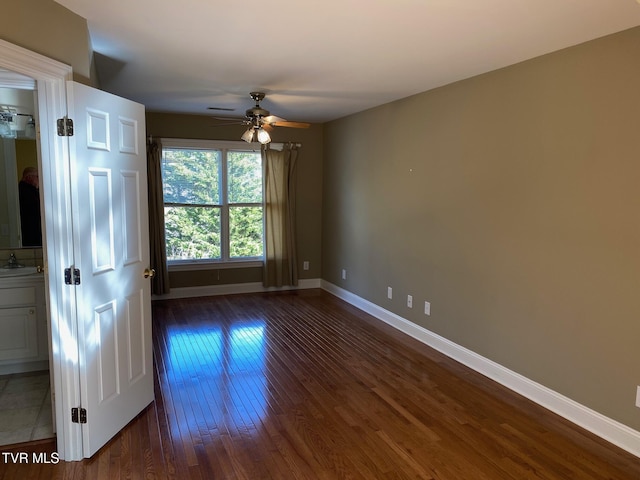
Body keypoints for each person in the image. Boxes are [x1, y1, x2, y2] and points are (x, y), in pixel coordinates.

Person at [18, 166, 42, 247]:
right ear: (29, 177)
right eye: (37, 176)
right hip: (31, 233)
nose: (39, 179)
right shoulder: (26, 192)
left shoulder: (27, 190)